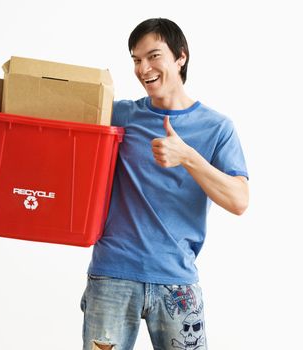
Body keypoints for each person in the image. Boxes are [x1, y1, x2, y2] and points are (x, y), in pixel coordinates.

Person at [80, 17, 249, 350]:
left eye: (153, 56)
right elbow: (57, 118)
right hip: (112, 275)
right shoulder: (121, 116)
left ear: (180, 57)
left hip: (177, 283)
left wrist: (188, 156)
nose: (144, 68)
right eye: (136, 59)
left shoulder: (217, 128)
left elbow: (240, 200)